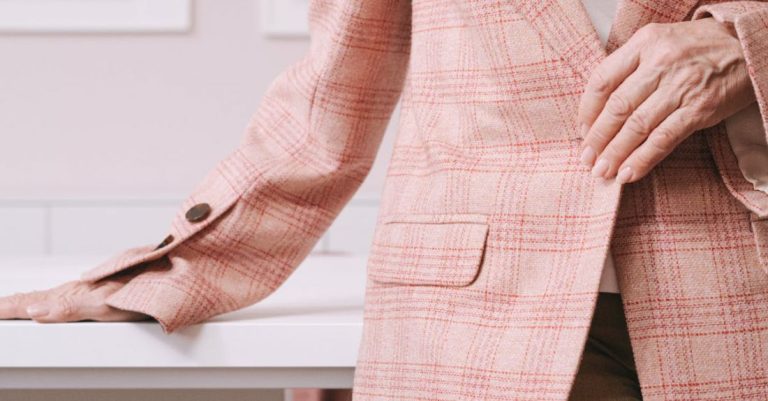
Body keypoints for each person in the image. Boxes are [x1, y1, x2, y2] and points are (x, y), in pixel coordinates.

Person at [2, 1, 768, 399]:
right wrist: (168, 271)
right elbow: (328, 106)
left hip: (743, 300)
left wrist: (749, 44)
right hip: (475, 328)